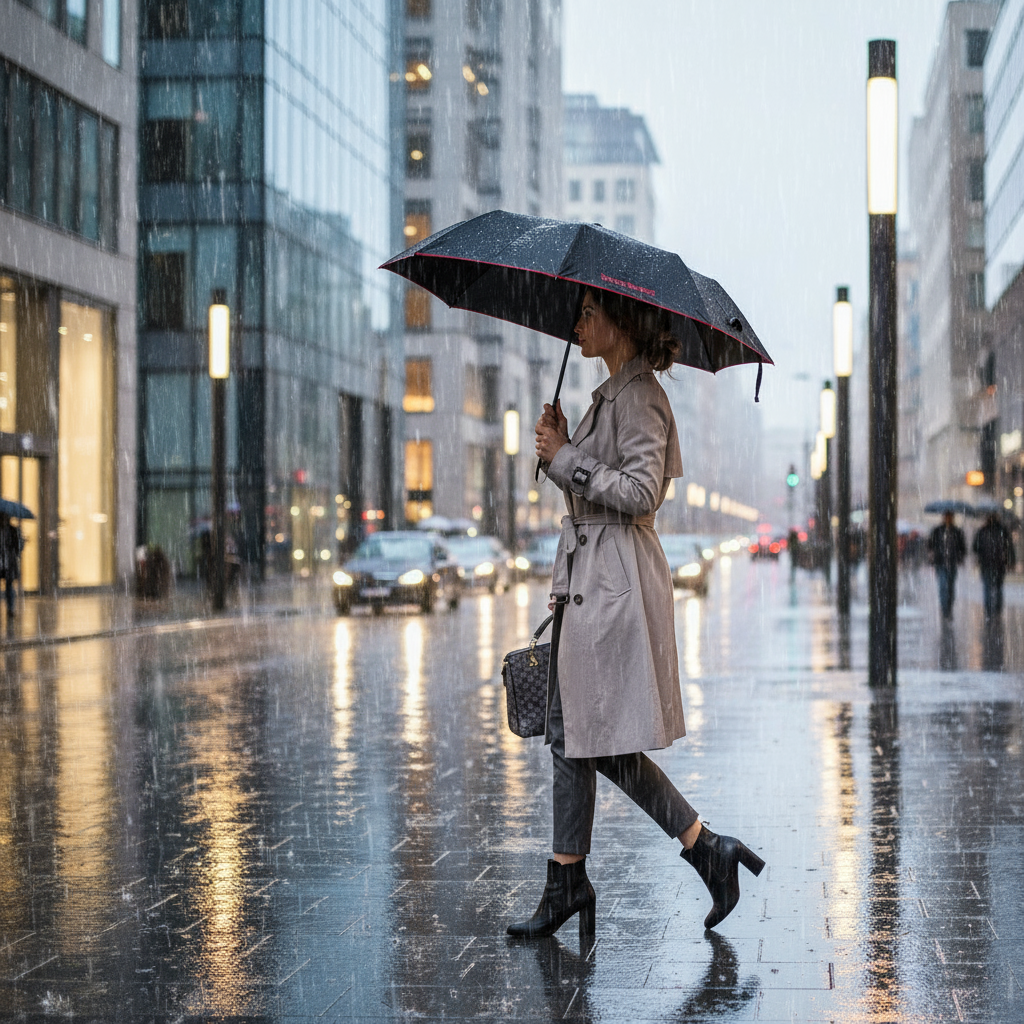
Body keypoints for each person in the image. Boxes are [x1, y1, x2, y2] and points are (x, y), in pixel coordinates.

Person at [508, 288, 764, 941]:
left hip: (617, 587)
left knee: (589, 739)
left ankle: (680, 855)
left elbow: (642, 493)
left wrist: (566, 457)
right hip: (591, 584)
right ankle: (660, 859)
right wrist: (563, 448)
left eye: (588, 312)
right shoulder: (607, 395)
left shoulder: (642, 395)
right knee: (576, 736)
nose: (578, 323)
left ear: (620, 320)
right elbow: (596, 488)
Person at [972, 512, 1015, 617]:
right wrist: (1010, 561)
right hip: (998, 564)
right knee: (998, 587)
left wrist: (980, 555)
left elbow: (975, 547)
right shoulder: (1002, 530)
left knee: (988, 587)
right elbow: (1009, 547)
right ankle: (996, 610)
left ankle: (989, 610)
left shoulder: (982, 531)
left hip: (988, 564)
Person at [927, 511, 966, 619]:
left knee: (951, 587)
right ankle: (945, 609)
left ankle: (948, 607)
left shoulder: (957, 531)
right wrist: (932, 556)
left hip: (952, 563)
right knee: (943, 586)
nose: (948, 519)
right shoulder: (937, 531)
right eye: (947, 517)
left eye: (950, 517)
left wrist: (960, 557)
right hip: (940, 562)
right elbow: (930, 545)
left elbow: (962, 547)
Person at [0, 514, 22, 617]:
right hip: (4, 560)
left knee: (9, 586)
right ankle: (10, 608)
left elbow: (19, 546)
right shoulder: (11, 530)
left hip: (9, 562)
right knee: (9, 586)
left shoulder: (13, 530)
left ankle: (10, 609)